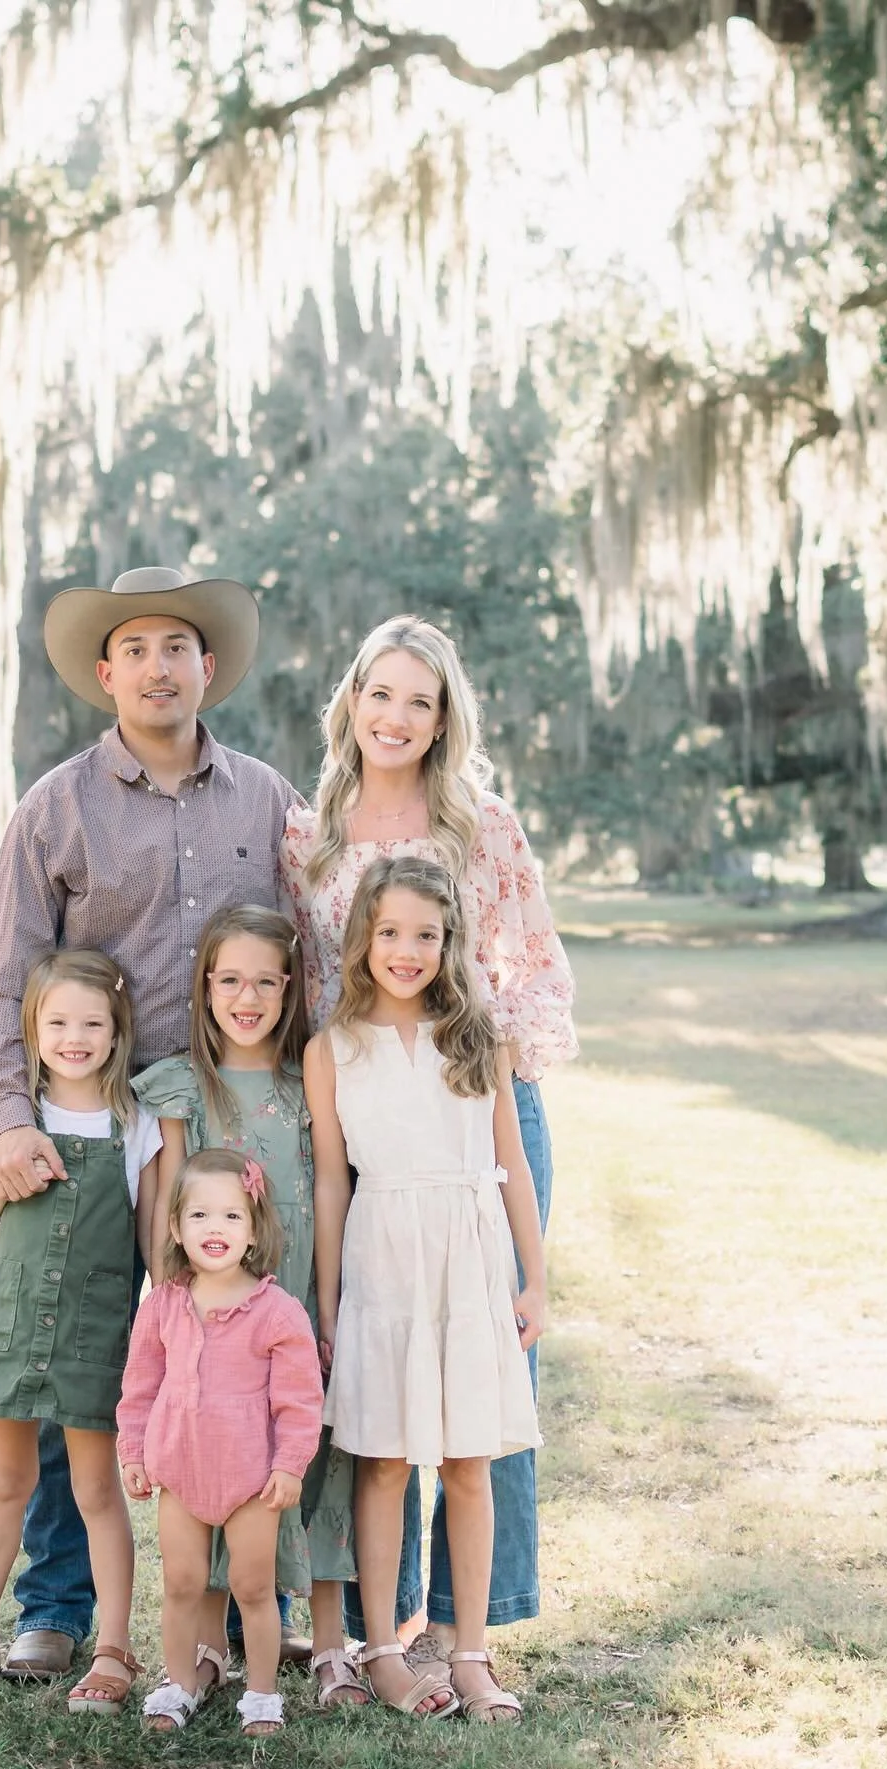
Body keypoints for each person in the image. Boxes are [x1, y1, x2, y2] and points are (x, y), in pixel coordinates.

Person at [0, 566, 301, 1684]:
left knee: (242, 1338)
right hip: (95, 1121)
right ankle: (58, 1607)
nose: (159, 666)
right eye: (137, 649)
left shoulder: (266, 799)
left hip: (233, 1112)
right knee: (85, 1363)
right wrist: (10, 1122)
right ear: (107, 674)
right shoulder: (57, 806)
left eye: (179, 647)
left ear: (210, 669)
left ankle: (254, 1595)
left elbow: (316, 957)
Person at [279, 613, 576, 1675]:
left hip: (467, 1106)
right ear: (350, 701)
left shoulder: (480, 822)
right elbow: (306, 977)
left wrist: (492, 1061)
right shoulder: (307, 827)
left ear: (444, 717)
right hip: (356, 1107)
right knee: (375, 1363)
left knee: (478, 1371)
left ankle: (468, 1627)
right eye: (381, 693)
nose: (397, 717)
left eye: (421, 699)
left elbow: (535, 961)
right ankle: (369, 1631)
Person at [306, 857, 544, 1722]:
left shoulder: (478, 1038)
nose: (407, 951)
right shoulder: (332, 1049)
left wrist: (536, 1278)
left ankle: (472, 1652)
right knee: (380, 1463)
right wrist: (330, 1299)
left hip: (469, 1261)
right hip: (381, 1263)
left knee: (468, 1463)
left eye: (427, 936)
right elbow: (333, 1182)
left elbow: (510, 1165)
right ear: (363, 938)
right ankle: (382, 1652)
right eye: (391, 932)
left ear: (451, 945)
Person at [134, 905, 365, 1715]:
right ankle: (201, 1649)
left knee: (318, 1456)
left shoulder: (311, 1083)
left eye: (267, 980)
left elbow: (331, 1188)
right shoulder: (182, 1088)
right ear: (203, 987)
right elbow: (164, 1208)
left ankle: (333, 1644)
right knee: (209, 1462)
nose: (248, 996)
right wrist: (168, 1308)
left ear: (292, 988)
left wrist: (326, 1304)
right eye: (230, 979)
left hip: (293, 1306)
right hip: (207, 1320)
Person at [0, 951, 160, 1712]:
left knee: (96, 1489)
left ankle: (116, 1646)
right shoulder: (18, 1116)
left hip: (95, 1336)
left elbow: (154, 1237)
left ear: (117, 1030)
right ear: (32, 1028)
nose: (74, 1036)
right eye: (57, 1022)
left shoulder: (136, 1123)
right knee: (8, 1484)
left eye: (92, 1022)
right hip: (14, 1326)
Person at [117, 1149, 324, 1737]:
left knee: (252, 1586)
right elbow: (139, 1390)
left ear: (255, 1230)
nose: (216, 1228)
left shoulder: (277, 1313)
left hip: (252, 1477)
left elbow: (299, 1401)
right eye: (201, 1216)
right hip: (180, 1469)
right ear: (177, 1229)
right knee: (182, 1583)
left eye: (233, 1217)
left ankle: (261, 1694)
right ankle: (179, 1683)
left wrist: (289, 1465)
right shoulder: (161, 1307)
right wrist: (133, 1452)